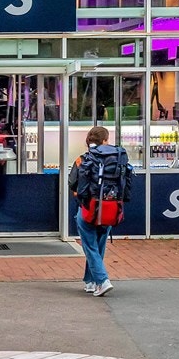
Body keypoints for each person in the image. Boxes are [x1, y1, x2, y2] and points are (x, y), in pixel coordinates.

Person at [69, 125, 132, 297]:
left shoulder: (82, 159)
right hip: (111, 207)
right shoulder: (116, 158)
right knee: (99, 245)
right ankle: (90, 282)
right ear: (104, 140)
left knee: (90, 246)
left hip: (89, 208)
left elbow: (73, 184)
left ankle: (102, 280)